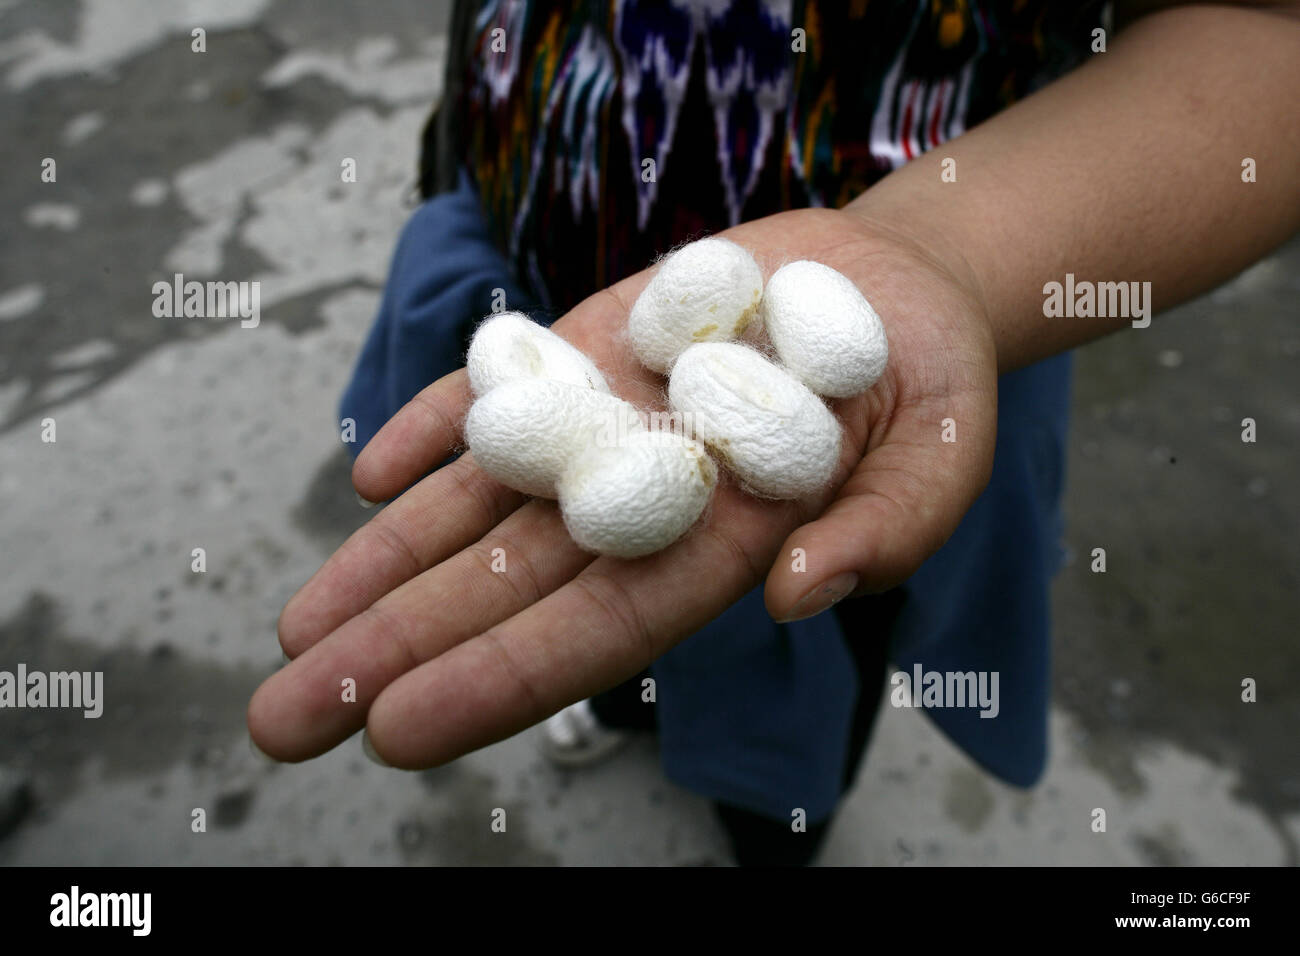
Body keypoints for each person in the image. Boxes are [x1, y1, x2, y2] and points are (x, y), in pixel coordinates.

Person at [247, 0, 1300, 865]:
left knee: (814, 624)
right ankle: (628, 710)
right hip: (534, 221)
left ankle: (774, 825)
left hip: (925, 308)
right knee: (587, 586)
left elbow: (1270, 34)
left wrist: (949, 252)